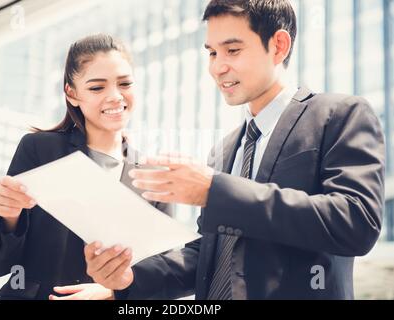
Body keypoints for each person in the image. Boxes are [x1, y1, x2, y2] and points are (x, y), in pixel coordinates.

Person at [84, 0, 385, 300]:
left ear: (278, 45)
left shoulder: (339, 115)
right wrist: (129, 280)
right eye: (212, 53)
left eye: (232, 50)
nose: (217, 67)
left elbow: (355, 222)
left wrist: (215, 191)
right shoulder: (224, 149)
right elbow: (208, 255)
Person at [0, 34, 172, 300]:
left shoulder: (155, 178)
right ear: (72, 94)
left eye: (125, 83)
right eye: (97, 88)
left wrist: (110, 291)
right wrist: (10, 217)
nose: (115, 96)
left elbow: (163, 275)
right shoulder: (40, 150)